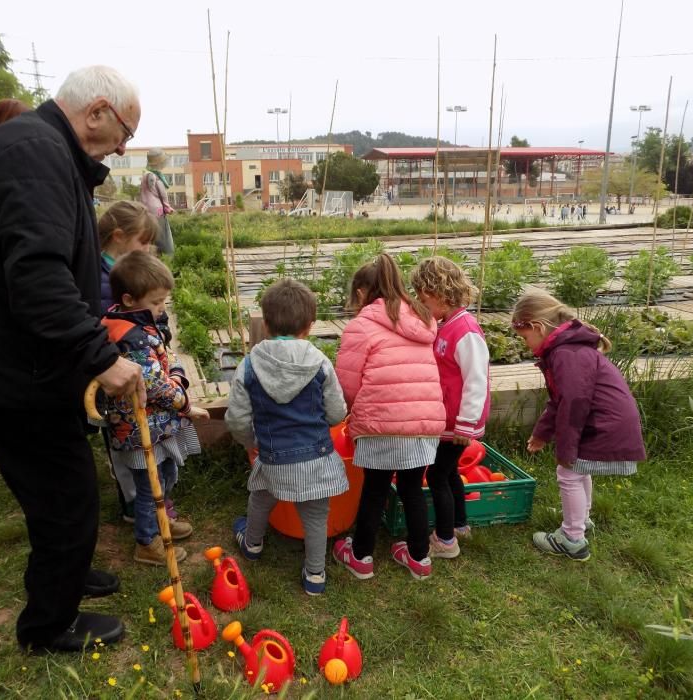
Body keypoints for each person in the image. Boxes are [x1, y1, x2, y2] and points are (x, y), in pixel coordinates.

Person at [0, 65, 145, 653]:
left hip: (14, 356)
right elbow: (39, 281)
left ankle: (67, 572)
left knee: (57, 489)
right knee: (66, 494)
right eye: (123, 132)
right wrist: (101, 357)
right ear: (95, 111)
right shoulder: (36, 154)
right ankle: (47, 626)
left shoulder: (41, 149)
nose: (123, 148)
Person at [225, 279, 348, 596]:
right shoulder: (320, 362)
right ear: (309, 325)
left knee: (261, 498)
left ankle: (252, 544)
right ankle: (315, 576)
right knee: (316, 516)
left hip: (271, 457)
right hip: (316, 459)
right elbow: (336, 413)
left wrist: (250, 444)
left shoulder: (250, 364)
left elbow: (237, 418)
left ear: (265, 324)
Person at [332, 254, 446, 580]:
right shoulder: (423, 320)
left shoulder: (361, 325)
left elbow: (348, 385)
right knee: (412, 489)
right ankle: (419, 558)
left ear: (361, 292)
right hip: (423, 424)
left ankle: (361, 557)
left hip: (382, 424)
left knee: (375, 489)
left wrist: (351, 412)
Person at [511, 290, 646, 562]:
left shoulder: (566, 354)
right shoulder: (567, 349)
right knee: (578, 471)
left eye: (525, 337)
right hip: (607, 421)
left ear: (537, 327)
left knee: (568, 472)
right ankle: (581, 520)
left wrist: (566, 447)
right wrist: (541, 433)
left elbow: (574, 403)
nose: (525, 344)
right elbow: (560, 400)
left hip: (601, 424)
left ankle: (572, 539)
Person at [99, 251, 206, 566]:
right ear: (130, 299)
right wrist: (185, 402)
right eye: (157, 302)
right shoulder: (130, 337)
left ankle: (161, 521)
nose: (162, 309)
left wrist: (176, 372)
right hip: (138, 428)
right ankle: (147, 541)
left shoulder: (141, 323)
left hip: (154, 425)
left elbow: (168, 358)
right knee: (149, 486)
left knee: (166, 475)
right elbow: (156, 385)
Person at [411, 257, 490, 558]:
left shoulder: (466, 330)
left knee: (437, 475)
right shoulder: (448, 325)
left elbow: (476, 379)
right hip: (449, 418)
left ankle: (445, 541)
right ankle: (458, 524)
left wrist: (466, 423)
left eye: (423, 298)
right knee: (448, 471)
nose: (421, 303)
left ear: (441, 294)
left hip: (458, 421)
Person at [98, 201, 161, 523]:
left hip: (131, 365)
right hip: (111, 370)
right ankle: (134, 508)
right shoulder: (103, 279)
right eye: (143, 241)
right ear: (119, 236)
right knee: (121, 441)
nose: (148, 249)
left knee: (133, 437)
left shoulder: (115, 271)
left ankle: (146, 502)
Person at [140, 148, 175, 255]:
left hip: (147, 209)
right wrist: (167, 207)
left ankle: (154, 255)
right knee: (162, 237)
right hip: (158, 211)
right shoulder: (154, 176)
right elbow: (162, 194)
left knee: (152, 235)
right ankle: (166, 257)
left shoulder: (145, 175)